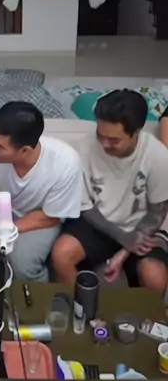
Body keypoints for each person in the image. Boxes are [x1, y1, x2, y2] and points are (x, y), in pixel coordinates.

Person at [0, 101, 83, 282]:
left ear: (25, 151)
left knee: (22, 262)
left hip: (42, 216)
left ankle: (32, 297)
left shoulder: (65, 163)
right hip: (4, 203)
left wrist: (0, 232)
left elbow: (53, 217)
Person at [52, 90, 168, 293]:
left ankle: (147, 314)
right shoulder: (83, 149)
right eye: (101, 135)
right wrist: (122, 237)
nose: (104, 144)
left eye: (114, 140)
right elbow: (85, 208)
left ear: (136, 132)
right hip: (97, 223)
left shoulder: (158, 157)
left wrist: (125, 250)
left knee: (155, 276)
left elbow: (157, 212)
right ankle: (80, 306)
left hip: (139, 228)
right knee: (61, 255)